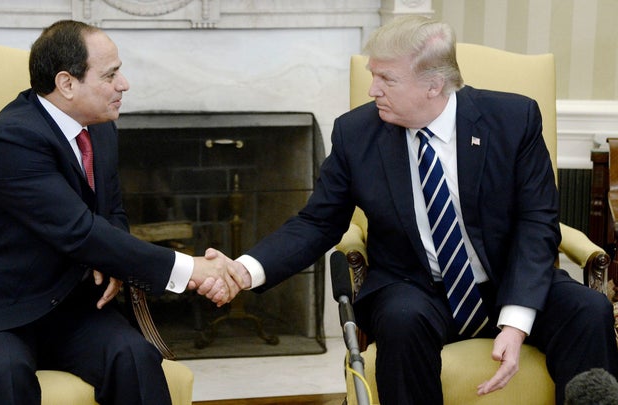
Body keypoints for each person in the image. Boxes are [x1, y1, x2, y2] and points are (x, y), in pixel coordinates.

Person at [204, 15, 618, 404]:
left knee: (589, 310)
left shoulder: (513, 119)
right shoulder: (356, 133)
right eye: (372, 76)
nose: (372, 90)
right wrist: (244, 270)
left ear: (434, 84)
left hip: (505, 278)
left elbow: (537, 220)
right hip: (414, 284)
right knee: (402, 319)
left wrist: (515, 320)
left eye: (386, 78)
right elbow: (317, 222)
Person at [0, 20, 236, 405]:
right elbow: (79, 231)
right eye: (111, 74)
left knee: (135, 357)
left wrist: (114, 262)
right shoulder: (11, 138)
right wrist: (189, 269)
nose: (124, 84)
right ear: (67, 83)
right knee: (6, 372)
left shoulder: (99, 128)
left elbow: (111, 212)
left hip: (69, 306)